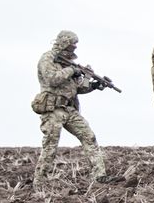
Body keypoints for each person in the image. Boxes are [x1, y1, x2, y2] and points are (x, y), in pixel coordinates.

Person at [32, 30, 121, 188]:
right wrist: (73, 70)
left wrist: (94, 85)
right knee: (50, 147)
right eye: (71, 45)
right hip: (52, 109)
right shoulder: (48, 58)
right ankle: (40, 183)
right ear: (64, 43)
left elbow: (77, 88)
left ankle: (99, 175)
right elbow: (52, 79)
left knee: (89, 137)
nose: (73, 49)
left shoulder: (68, 63)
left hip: (69, 109)